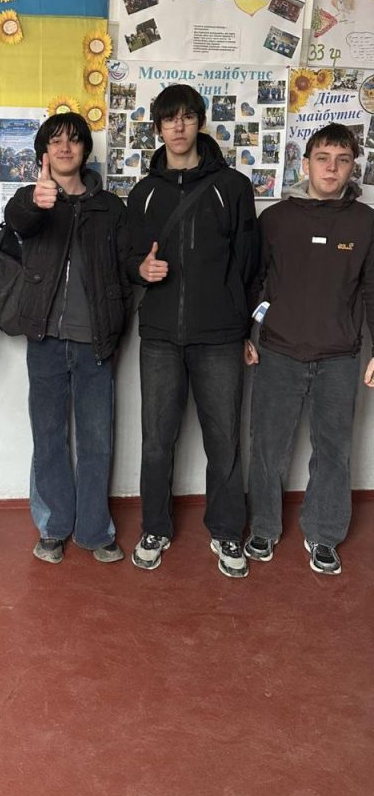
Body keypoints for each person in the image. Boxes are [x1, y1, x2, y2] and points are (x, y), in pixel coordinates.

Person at [127, 84, 259, 578]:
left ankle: (226, 531)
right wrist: (141, 270)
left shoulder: (233, 186)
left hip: (220, 337)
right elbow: (128, 257)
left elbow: (249, 264)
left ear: (200, 122)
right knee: (156, 441)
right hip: (160, 336)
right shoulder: (143, 193)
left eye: (186, 117)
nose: (178, 126)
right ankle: (154, 527)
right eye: (169, 119)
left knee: (224, 440)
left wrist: (240, 326)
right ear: (158, 128)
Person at [245, 123, 374, 575]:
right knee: (268, 448)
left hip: (339, 357)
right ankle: (263, 527)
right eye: (323, 158)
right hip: (279, 352)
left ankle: (324, 534)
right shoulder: (275, 219)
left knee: (334, 451)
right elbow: (256, 282)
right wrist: (247, 333)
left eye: (342, 160)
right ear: (305, 164)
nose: (332, 168)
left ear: (352, 167)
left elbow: (372, 289)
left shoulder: (365, 222)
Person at [4, 113, 132, 564]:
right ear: (44, 152)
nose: (64, 148)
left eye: (74, 141)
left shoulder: (110, 207)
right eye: (55, 141)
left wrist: (139, 277)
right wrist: (36, 203)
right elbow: (16, 220)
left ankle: (96, 530)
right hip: (45, 340)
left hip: (95, 340)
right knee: (49, 437)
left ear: (85, 151)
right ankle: (53, 526)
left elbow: (126, 266)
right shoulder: (32, 199)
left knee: (97, 440)